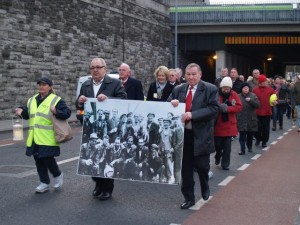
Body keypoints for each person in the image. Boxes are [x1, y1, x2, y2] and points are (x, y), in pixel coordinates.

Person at [168, 63, 219, 209]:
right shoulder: (178, 89)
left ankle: (205, 185)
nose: (191, 77)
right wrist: (172, 103)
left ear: (200, 74)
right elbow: (167, 105)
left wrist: (193, 115)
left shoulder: (210, 89)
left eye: (193, 74)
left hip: (202, 136)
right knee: (186, 170)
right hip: (183, 136)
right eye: (188, 74)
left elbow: (214, 108)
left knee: (202, 167)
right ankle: (188, 198)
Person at [76, 57, 127, 201]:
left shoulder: (115, 83)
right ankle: (98, 184)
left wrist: (109, 98)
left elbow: (124, 99)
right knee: (92, 158)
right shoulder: (86, 84)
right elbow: (79, 105)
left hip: (107, 131)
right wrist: (79, 101)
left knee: (105, 159)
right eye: (92, 68)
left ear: (105, 68)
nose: (95, 70)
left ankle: (107, 188)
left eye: (98, 67)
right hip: (91, 130)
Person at [15, 77, 71, 193]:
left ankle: (57, 175)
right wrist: (20, 111)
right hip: (34, 137)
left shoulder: (56, 100)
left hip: (48, 137)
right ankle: (44, 182)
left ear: (50, 87)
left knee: (47, 159)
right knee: (38, 161)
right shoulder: (32, 100)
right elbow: (27, 114)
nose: (41, 86)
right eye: (40, 84)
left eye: (44, 84)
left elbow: (67, 113)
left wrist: (56, 111)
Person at [214, 77, 242, 170]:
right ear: (221, 87)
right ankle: (218, 155)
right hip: (218, 124)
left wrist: (228, 109)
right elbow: (212, 106)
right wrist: (219, 108)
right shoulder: (216, 94)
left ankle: (225, 164)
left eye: (228, 88)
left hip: (229, 125)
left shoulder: (234, 95)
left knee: (227, 147)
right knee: (217, 144)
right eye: (224, 88)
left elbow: (239, 107)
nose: (226, 90)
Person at [252, 75, 276, 147]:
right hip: (257, 112)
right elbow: (252, 99)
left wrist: (275, 102)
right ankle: (258, 139)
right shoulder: (255, 90)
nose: (264, 83)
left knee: (266, 128)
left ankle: (264, 141)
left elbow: (275, 98)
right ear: (259, 82)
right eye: (262, 82)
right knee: (257, 128)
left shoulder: (271, 90)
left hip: (267, 112)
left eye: (265, 81)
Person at [237, 82, 260, 155]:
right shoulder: (238, 96)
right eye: (244, 88)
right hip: (241, 118)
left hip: (251, 119)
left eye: (247, 88)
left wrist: (250, 100)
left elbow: (258, 105)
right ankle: (242, 150)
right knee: (242, 136)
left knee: (250, 135)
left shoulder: (253, 95)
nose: (246, 89)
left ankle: (249, 147)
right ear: (242, 89)